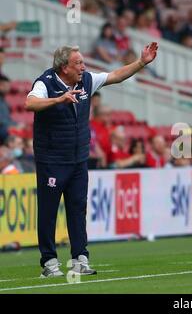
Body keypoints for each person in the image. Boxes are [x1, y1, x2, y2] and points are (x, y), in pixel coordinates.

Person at [25, 42, 158, 277]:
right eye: (78, 63)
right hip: (52, 159)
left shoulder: (85, 80)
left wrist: (141, 63)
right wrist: (59, 100)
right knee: (48, 211)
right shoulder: (45, 82)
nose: (83, 67)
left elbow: (115, 76)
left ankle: (80, 259)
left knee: (78, 208)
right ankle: (49, 263)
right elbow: (30, 103)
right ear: (64, 67)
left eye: (83, 62)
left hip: (78, 159)